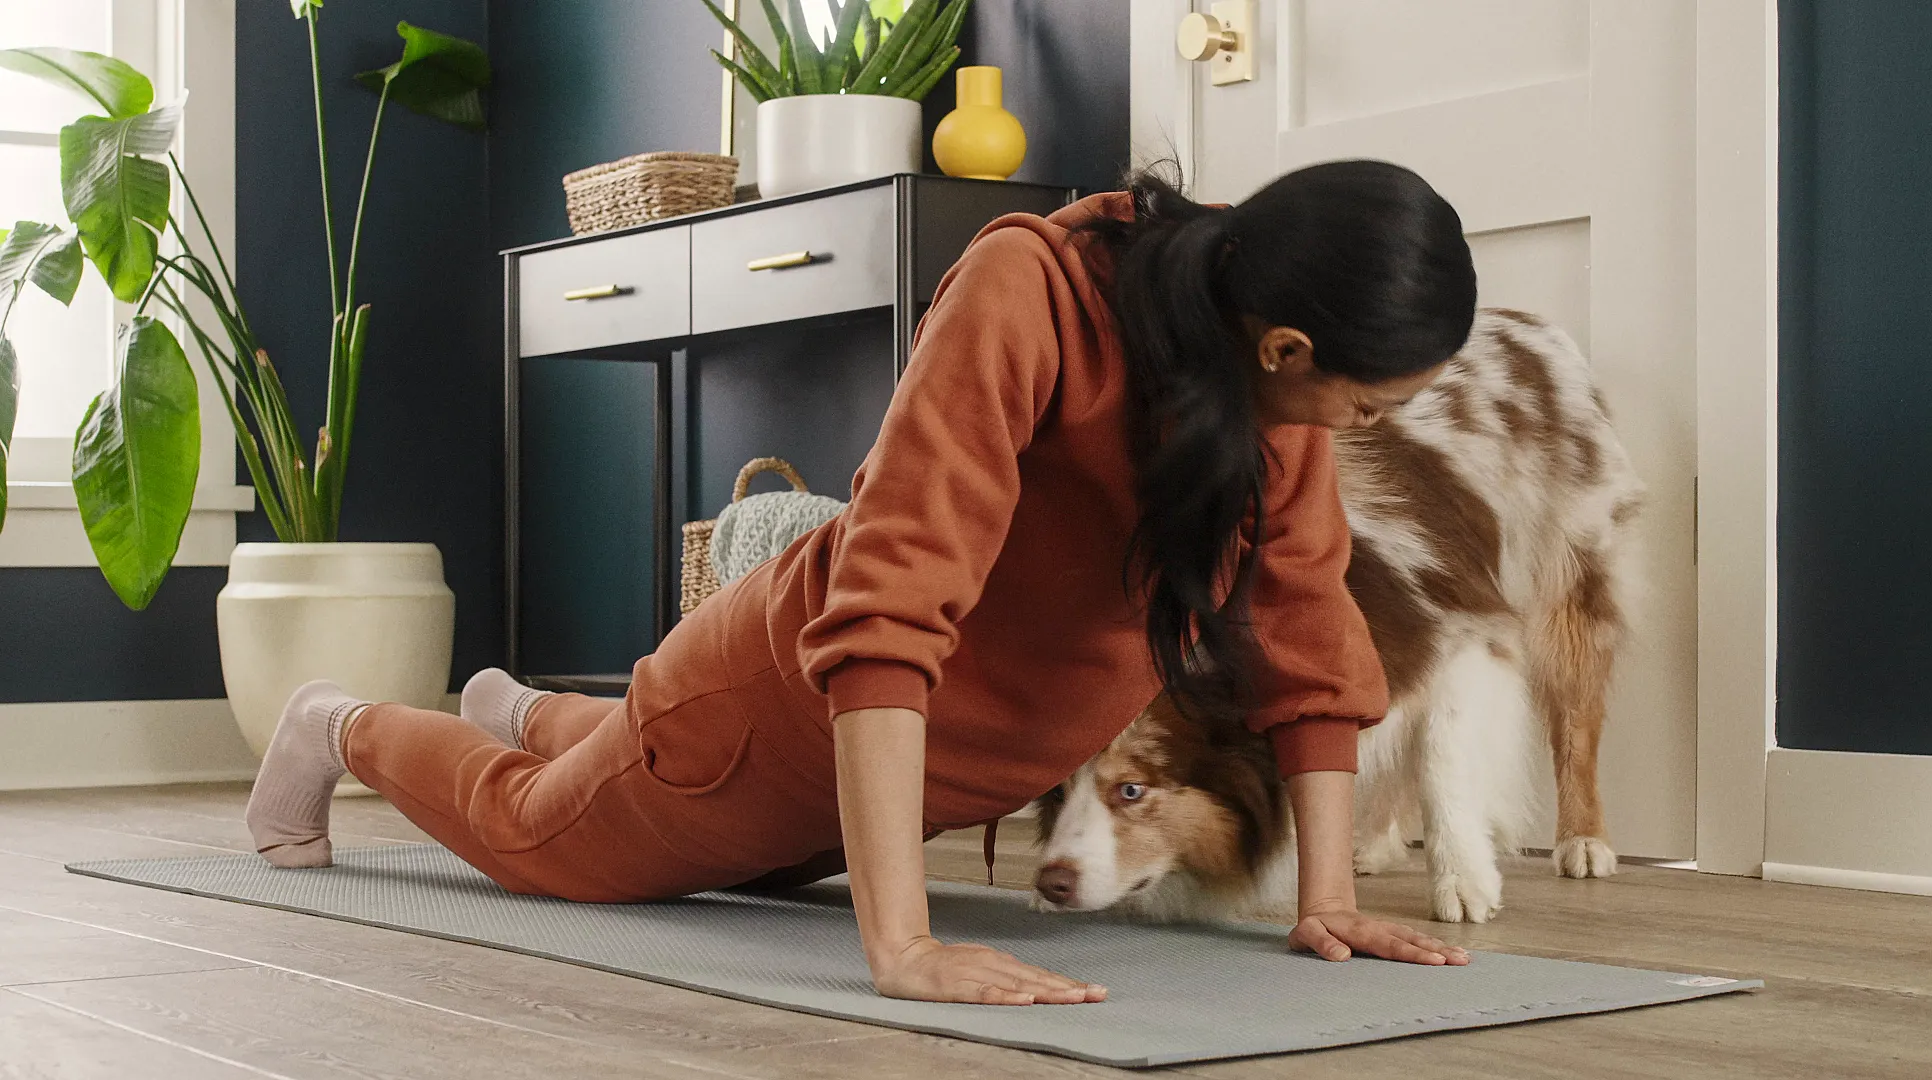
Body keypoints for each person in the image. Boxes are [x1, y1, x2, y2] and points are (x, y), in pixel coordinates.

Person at [245, 159, 1480, 1006]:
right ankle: (341, 726)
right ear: (1286, 348)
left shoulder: (1262, 397)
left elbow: (1306, 627)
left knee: (655, 803)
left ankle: (530, 715)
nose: (1359, 428)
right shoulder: (1031, 294)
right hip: (769, 719)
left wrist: (1326, 900)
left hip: (885, 773)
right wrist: (900, 942)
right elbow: (892, 603)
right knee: (541, 841)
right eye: (1365, 403)